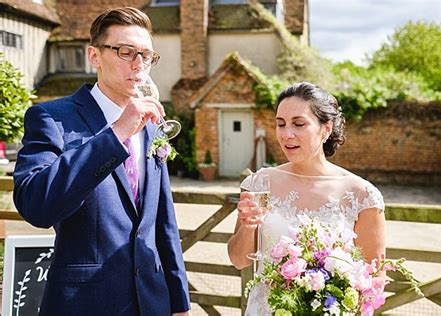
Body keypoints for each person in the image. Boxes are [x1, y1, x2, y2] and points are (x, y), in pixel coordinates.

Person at [13, 7, 190, 316]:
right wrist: (117, 133)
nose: (139, 65)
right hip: (84, 303)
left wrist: (179, 301)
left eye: (146, 56)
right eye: (125, 52)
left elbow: (163, 221)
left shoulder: (152, 127)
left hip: (153, 303)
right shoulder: (51, 118)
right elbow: (35, 205)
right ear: (94, 56)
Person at [227, 82, 385, 315]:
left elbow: (374, 283)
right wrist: (248, 227)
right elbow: (239, 260)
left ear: (326, 129)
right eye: (280, 124)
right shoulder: (259, 183)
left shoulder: (362, 195)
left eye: (298, 124)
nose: (286, 134)